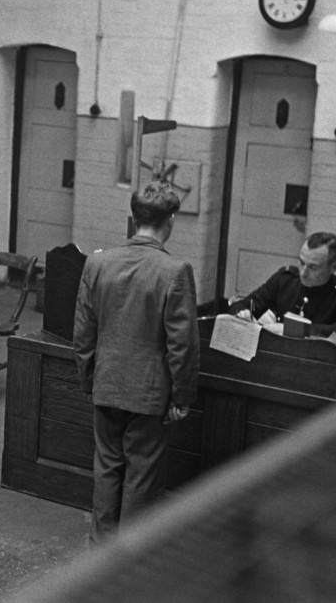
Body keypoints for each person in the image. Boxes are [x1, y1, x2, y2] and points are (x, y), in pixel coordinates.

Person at [73, 183, 200, 545]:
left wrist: (88, 378)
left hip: (107, 382)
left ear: (133, 217)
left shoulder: (97, 263)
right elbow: (183, 343)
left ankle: (101, 552)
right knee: (142, 476)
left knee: (107, 469)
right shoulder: (175, 271)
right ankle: (129, 559)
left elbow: (83, 330)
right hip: (149, 393)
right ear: (170, 220)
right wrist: (182, 396)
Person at [228, 231, 336, 345]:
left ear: (334, 267)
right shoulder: (285, 280)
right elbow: (246, 304)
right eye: (301, 263)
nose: (303, 273)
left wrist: (296, 330)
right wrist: (243, 312)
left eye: (313, 267)